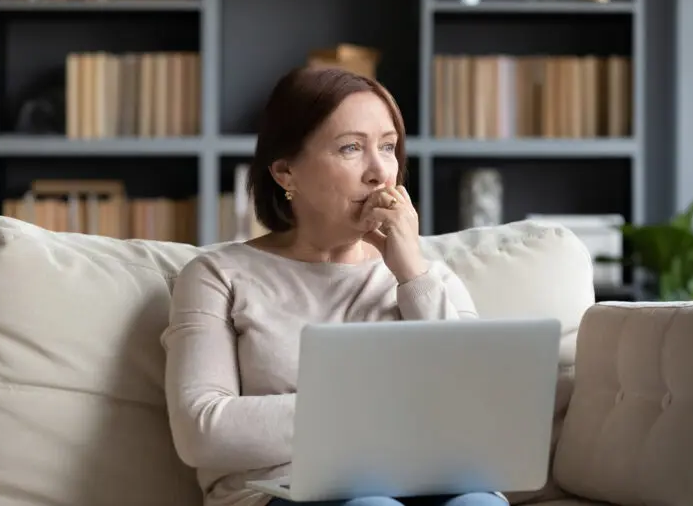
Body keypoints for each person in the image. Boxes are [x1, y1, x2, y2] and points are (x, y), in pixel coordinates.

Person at [161, 66, 509, 506]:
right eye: (351, 148)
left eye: (388, 147)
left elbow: (475, 417)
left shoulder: (425, 275)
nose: (380, 172)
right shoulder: (217, 275)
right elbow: (201, 431)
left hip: (425, 482)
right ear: (286, 173)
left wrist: (412, 276)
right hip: (286, 491)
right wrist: (382, 409)